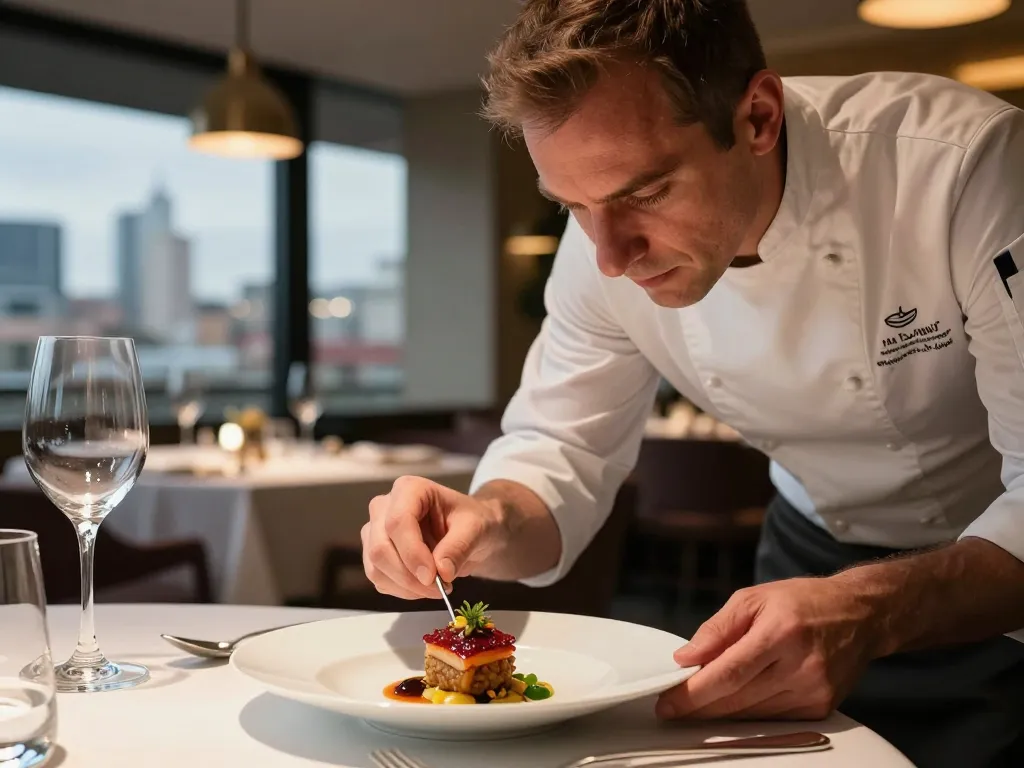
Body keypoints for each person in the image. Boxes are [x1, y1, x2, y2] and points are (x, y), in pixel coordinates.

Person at [360, 1, 1024, 765]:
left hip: (995, 581)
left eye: (644, 193)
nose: (609, 256)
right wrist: (485, 518)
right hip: (801, 569)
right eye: (573, 206)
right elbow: (559, 451)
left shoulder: (963, 169)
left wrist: (872, 607)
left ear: (759, 119)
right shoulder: (597, 255)